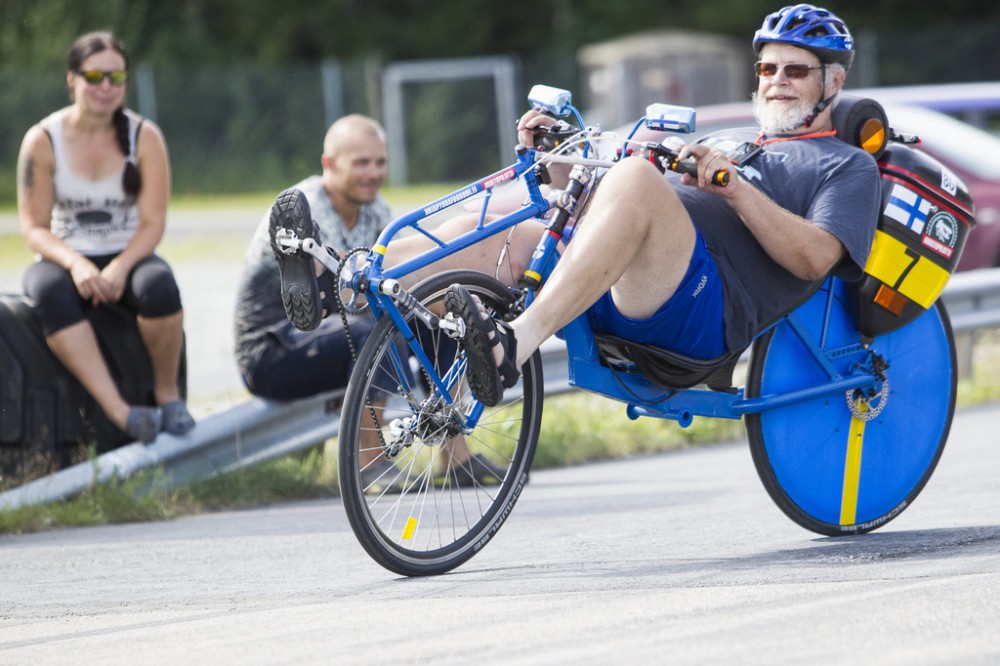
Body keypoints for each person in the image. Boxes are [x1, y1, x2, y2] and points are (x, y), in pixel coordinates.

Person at [237, 114, 506, 490]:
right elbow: (354, 297)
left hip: (335, 337)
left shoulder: (376, 209)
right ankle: (371, 462)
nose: (373, 173)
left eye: (380, 162)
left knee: (440, 317)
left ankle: (455, 455)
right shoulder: (303, 210)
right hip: (274, 347)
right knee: (378, 328)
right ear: (329, 164)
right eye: (361, 163)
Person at [17, 31, 193, 444]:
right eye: (94, 76)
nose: (106, 87)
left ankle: (168, 396)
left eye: (116, 78)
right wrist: (76, 264)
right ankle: (121, 412)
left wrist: (119, 267)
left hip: (128, 253)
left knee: (159, 286)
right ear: (72, 79)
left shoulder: (144, 136)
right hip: (66, 256)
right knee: (47, 292)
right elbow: (34, 228)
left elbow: (152, 223)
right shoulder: (42, 139)